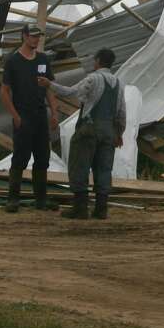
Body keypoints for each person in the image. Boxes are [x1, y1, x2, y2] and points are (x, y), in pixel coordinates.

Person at [38, 47, 125, 220]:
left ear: (98, 61)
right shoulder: (118, 83)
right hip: (109, 130)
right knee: (104, 168)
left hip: (89, 128)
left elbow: (70, 92)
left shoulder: (93, 79)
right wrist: (119, 133)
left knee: (79, 165)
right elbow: (121, 112)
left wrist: (49, 84)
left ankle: (80, 208)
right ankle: (101, 209)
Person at [1, 25, 59, 212]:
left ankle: (40, 199)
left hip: (40, 115)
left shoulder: (43, 59)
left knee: (43, 157)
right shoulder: (13, 61)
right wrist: (15, 116)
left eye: (38, 36)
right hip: (23, 115)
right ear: (24, 36)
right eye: (33, 36)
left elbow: (49, 87)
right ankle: (13, 199)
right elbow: (4, 90)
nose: (36, 39)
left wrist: (54, 112)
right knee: (20, 157)